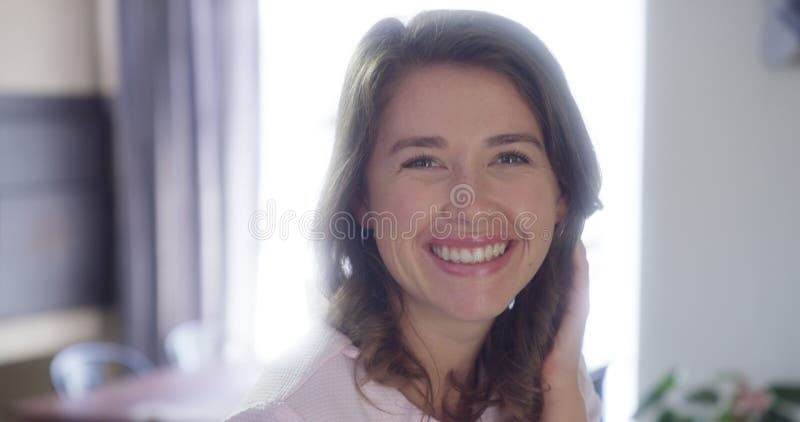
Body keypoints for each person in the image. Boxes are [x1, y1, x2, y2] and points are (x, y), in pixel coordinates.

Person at [229, 9, 603, 422]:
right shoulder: (289, 414)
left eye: (509, 157)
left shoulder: (559, 381)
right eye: (424, 161)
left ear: (562, 196)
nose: (470, 202)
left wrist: (563, 393)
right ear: (361, 198)